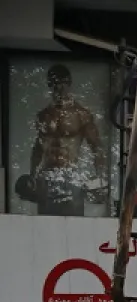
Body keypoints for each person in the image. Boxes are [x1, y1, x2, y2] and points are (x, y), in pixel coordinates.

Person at [25, 64, 107, 217]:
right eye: (54, 83)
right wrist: (32, 175)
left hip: (71, 174)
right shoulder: (44, 116)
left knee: (73, 220)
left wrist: (100, 177)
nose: (58, 87)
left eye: (62, 82)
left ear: (69, 84)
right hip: (47, 175)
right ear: (49, 85)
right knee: (45, 222)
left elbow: (96, 147)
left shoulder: (81, 114)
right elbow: (38, 147)